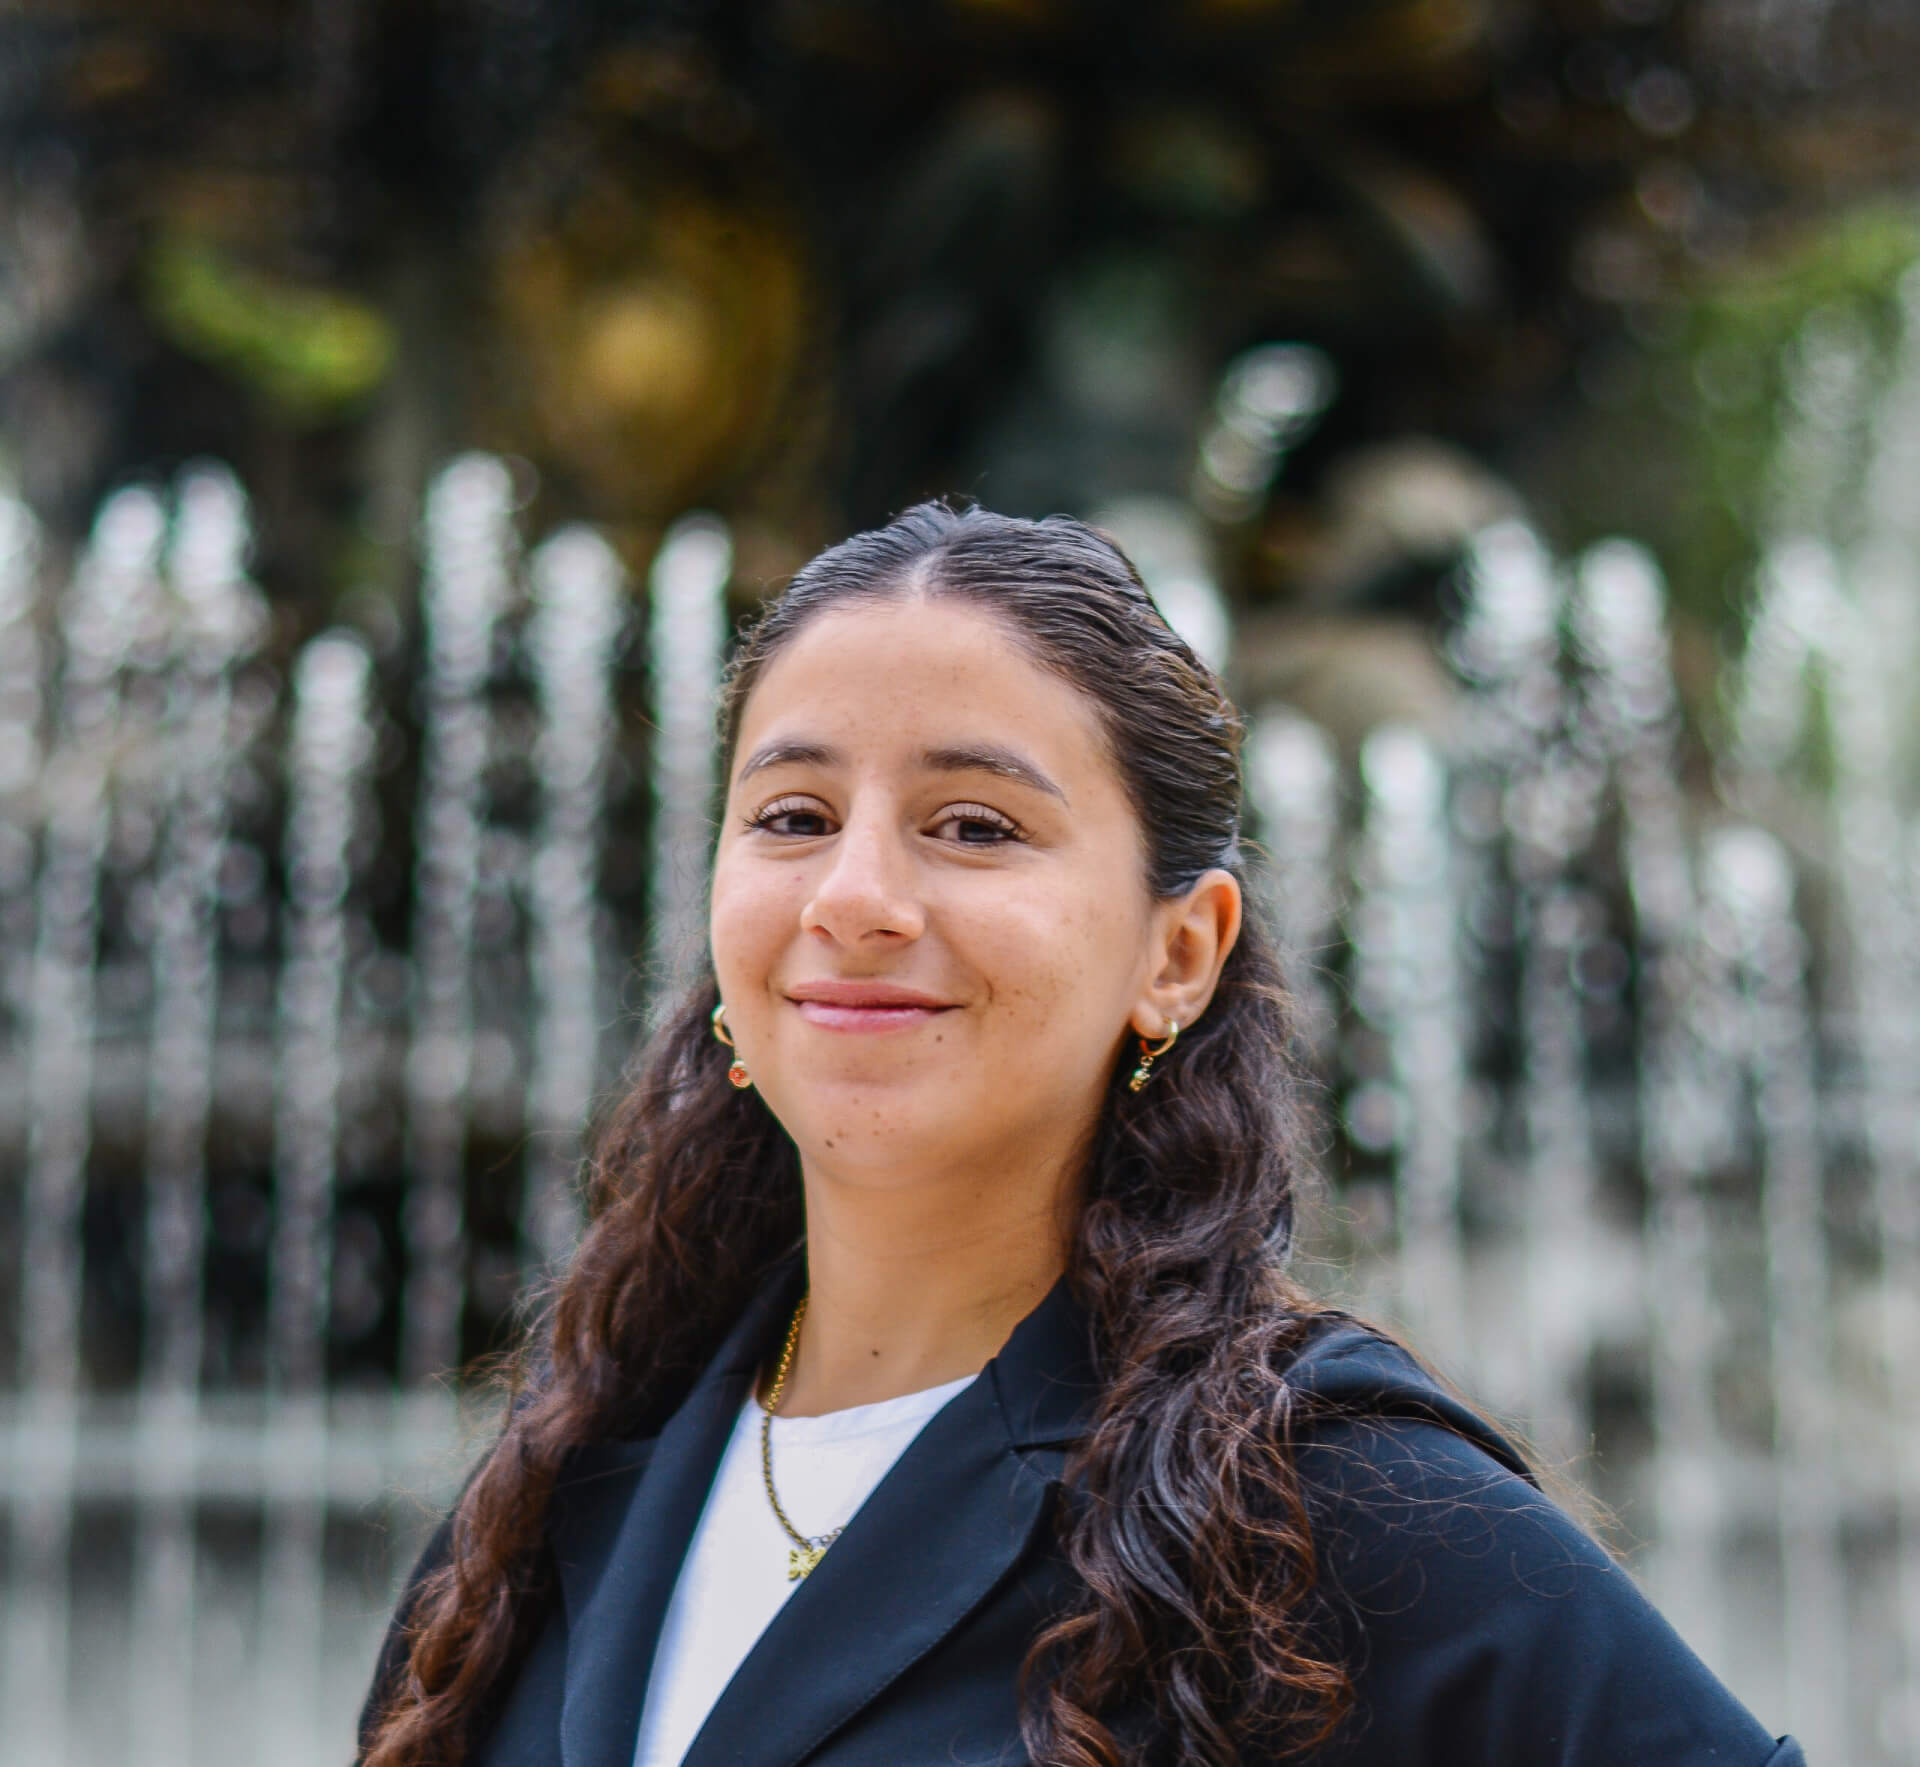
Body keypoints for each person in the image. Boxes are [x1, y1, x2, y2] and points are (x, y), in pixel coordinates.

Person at [357, 504, 1804, 1767]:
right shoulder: (557, 1502)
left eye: (975, 826)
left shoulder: (1331, 1513)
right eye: (793, 815)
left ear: (1179, 953)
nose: (852, 897)